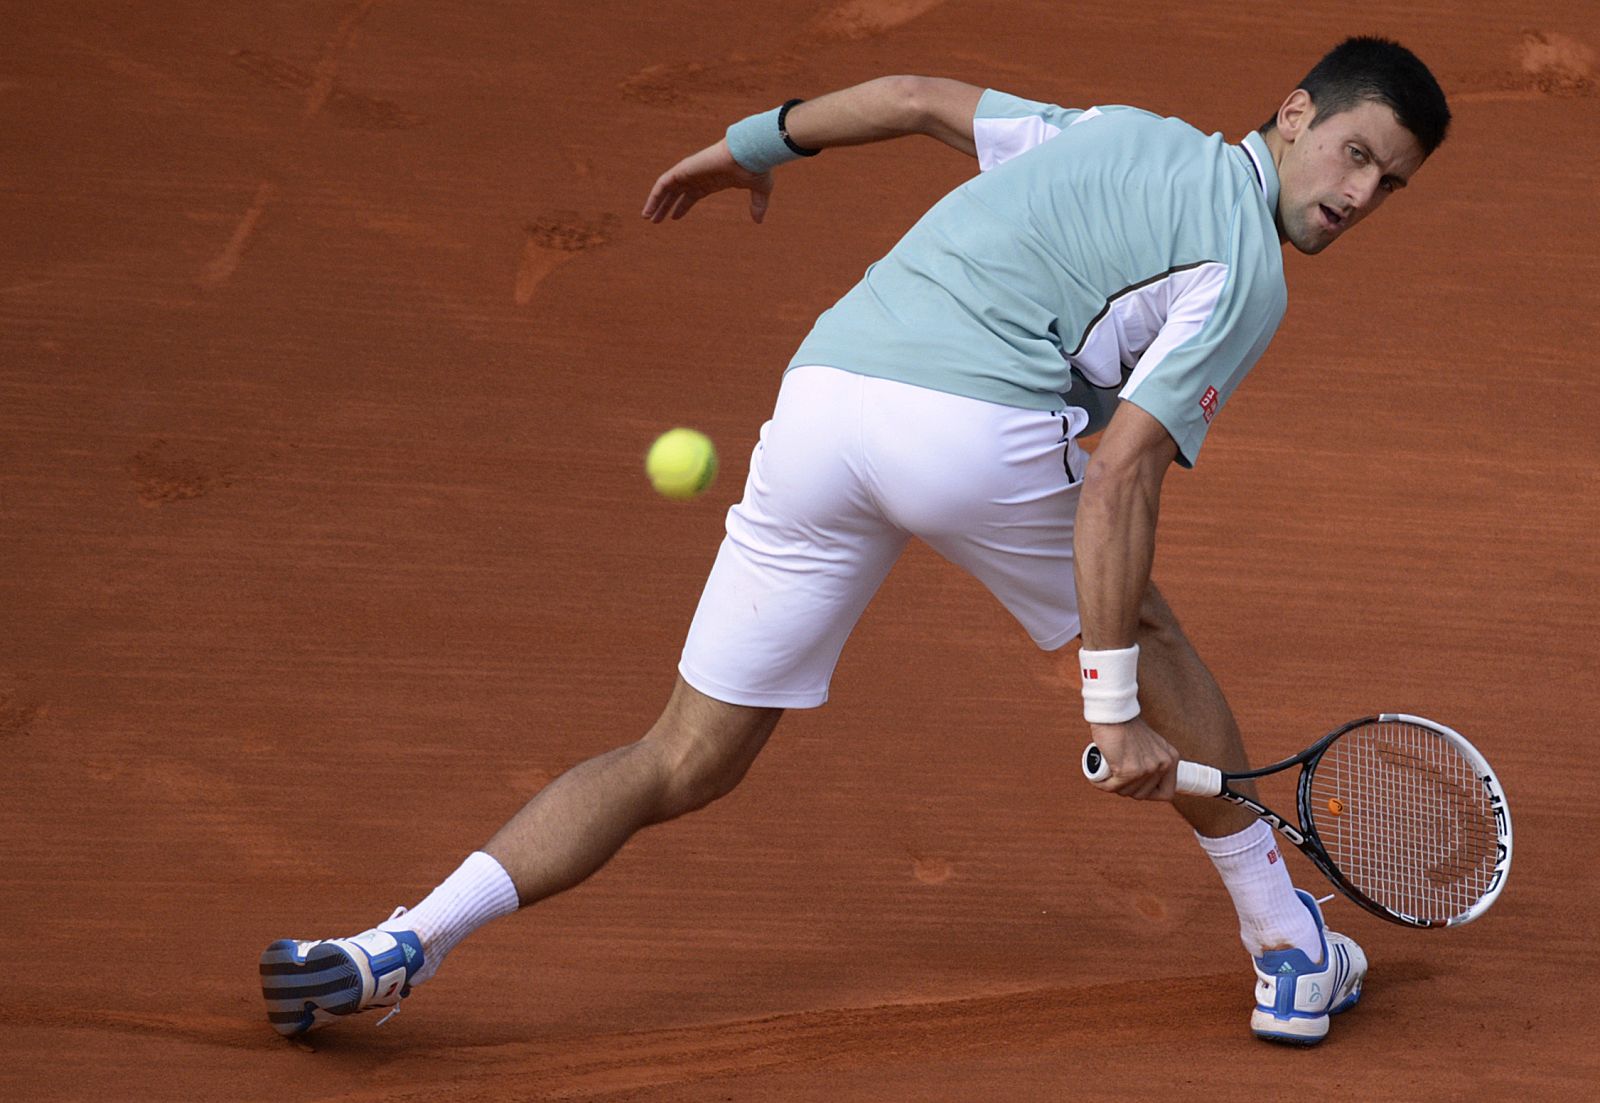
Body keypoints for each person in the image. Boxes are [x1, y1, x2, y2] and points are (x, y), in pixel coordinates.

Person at [260, 36, 1449, 1046]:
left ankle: (400, 942)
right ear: (1295, 114)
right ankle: (1288, 946)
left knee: (684, 755)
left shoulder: (1104, 128)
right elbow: (1122, 474)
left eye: (1387, 185)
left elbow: (913, 99)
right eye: (1354, 154)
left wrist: (753, 144)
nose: (1357, 195)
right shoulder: (1245, 274)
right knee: (1144, 627)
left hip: (822, 402)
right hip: (969, 432)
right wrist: (1111, 707)